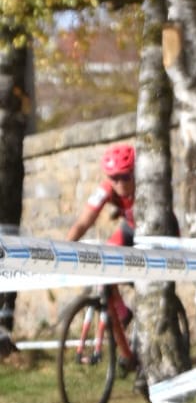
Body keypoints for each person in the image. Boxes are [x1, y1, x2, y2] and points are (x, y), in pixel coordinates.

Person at [67, 143, 137, 334]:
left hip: (152, 235)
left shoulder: (146, 183)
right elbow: (83, 222)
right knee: (107, 257)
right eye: (114, 177)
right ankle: (123, 314)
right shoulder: (106, 189)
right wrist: (64, 248)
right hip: (130, 230)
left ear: (134, 172)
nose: (120, 183)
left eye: (125, 176)